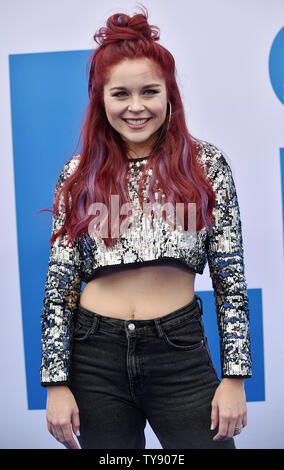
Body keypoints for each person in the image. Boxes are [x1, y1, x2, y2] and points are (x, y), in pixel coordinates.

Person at [40, 6, 252, 450]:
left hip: (179, 353)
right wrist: (56, 384)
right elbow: (59, 285)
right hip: (95, 358)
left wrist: (234, 377)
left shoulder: (205, 167)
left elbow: (230, 280)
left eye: (149, 92)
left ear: (169, 95)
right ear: (101, 100)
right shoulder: (77, 175)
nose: (136, 107)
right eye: (120, 94)